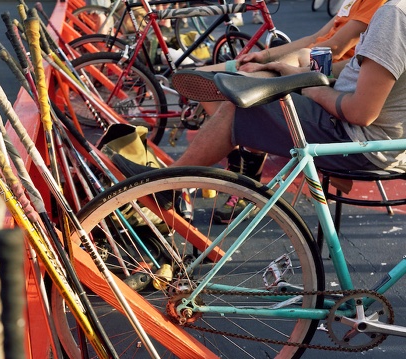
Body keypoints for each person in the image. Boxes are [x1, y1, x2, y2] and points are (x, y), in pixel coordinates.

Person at [172, 0, 406, 225]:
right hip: (376, 135)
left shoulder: (393, 14)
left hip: (360, 140)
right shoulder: (390, 11)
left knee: (239, 104)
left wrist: (310, 87)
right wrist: (298, 74)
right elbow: (354, 65)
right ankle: (236, 164)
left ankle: (169, 184)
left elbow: (360, 112)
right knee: (271, 78)